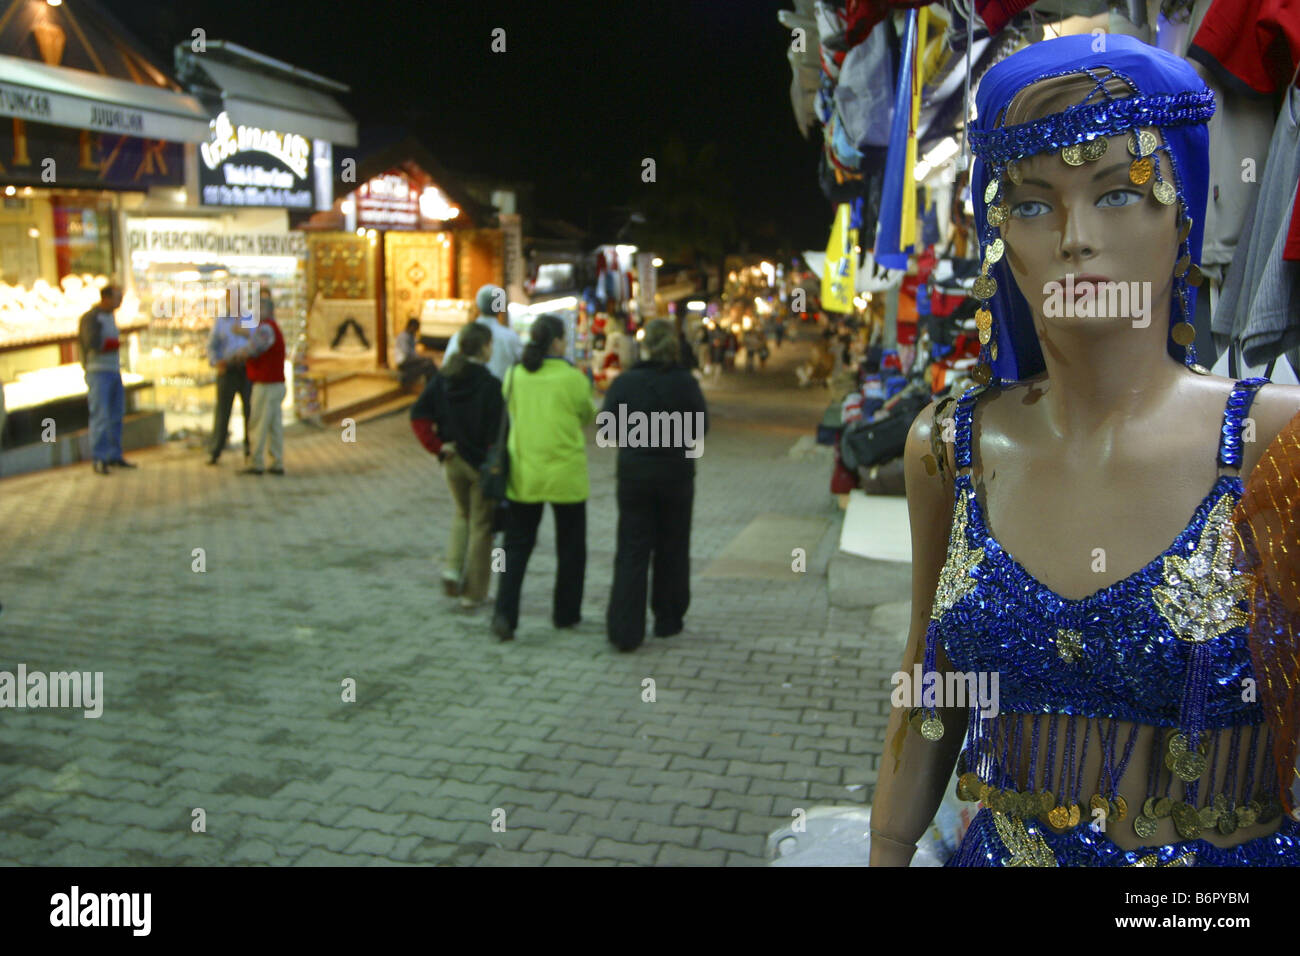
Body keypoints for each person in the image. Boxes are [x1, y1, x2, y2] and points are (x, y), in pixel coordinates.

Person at [871, 34, 1300, 868]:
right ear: (999, 237)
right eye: (1031, 204)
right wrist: (888, 846)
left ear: (1184, 213)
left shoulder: (1275, 445)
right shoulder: (951, 448)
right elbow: (930, 689)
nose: (1073, 238)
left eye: (1117, 192)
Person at [603, 320, 708, 651]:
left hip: (635, 476)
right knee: (673, 547)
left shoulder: (625, 383)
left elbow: (608, 430)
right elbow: (700, 428)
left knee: (632, 549)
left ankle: (625, 629)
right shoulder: (686, 383)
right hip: (676, 476)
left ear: (644, 346)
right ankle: (668, 618)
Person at [491, 314, 596, 642]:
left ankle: (505, 615)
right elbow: (587, 415)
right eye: (564, 338)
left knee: (516, 548)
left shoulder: (514, 375)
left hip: (525, 475)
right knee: (571, 549)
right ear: (555, 343)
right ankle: (565, 614)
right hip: (566, 475)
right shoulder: (572, 378)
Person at [409, 322, 503, 610]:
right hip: (479, 466)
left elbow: (418, 415)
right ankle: (473, 593)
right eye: (490, 345)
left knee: (462, 515)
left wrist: (437, 446)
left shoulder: (443, 378)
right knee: (481, 526)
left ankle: (452, 570)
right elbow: (497, 433)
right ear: (484, 346)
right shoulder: (490, 386)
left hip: (451, 461)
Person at [223, 289, 286, 476]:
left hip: (266, 384)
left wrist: (233, 357)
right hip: (274, 384)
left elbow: (253, 348)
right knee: (274, 426)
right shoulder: (269, 327)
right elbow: (254, 340)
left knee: (258, 424)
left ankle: (256, 462)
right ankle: (276, 462)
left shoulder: (266, 328)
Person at [78, 284, 135, 474]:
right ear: (106, 298)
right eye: (117, 297)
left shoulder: (110, 317)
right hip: (98, 372)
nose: (119, 302)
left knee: (115, 414)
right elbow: (92, 343)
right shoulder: (91, 318)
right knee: (101, 415)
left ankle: (114, 454)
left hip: (113, 370)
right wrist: (115, 344)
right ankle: (99, 457)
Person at [206, 296, 253, 466]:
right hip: (228, 369)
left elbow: (257, 341)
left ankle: (250, 448)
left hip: (247, 369)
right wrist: (216, 361)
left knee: (249, 410)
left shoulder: (249, 319)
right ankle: (216, 449)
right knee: (223, 411)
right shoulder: (221, 321)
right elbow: (212, 345)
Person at [443, 284, 523, 381]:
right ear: (501, 308)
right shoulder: (511, 338)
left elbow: (447, 367)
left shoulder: (460, 336)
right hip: (500, 394)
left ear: (477, 306)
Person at [395, 317, 437, 388]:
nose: (416, 331)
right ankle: (432, 384)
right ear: (411, 326)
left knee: (428, 365)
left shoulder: (411, 335)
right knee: (427, 363)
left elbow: (417, 342)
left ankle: (432, 384)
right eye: (415, 328)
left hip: (410, 359)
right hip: (404, 361)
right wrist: (420, 358)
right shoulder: (403, 336)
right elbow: (407, 353)